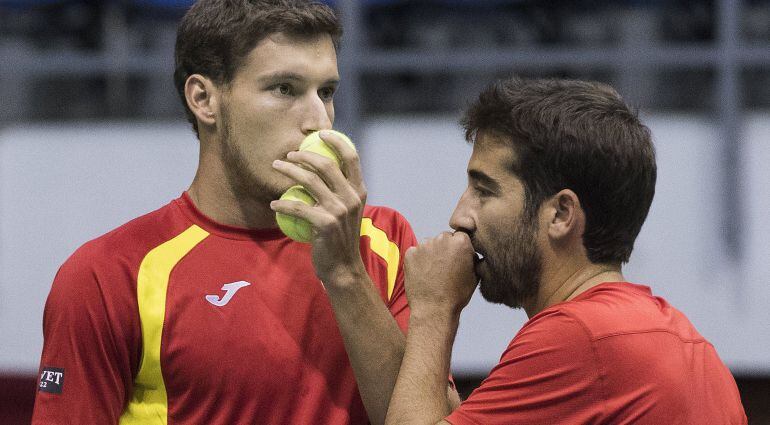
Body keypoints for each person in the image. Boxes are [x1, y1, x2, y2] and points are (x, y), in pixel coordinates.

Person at [32, 1, 459, 424]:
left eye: (326, 92)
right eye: (284, 89)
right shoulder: (107, 275)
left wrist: (346, 273)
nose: (319, 121)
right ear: (204, 99)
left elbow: (430, 419)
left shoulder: (384, 240)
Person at [384, 77, 747, 424]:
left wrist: (433, 308)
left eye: (485, 191)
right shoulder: (690, 346)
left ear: (561, 214)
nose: (459, 217)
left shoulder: (579, 338)